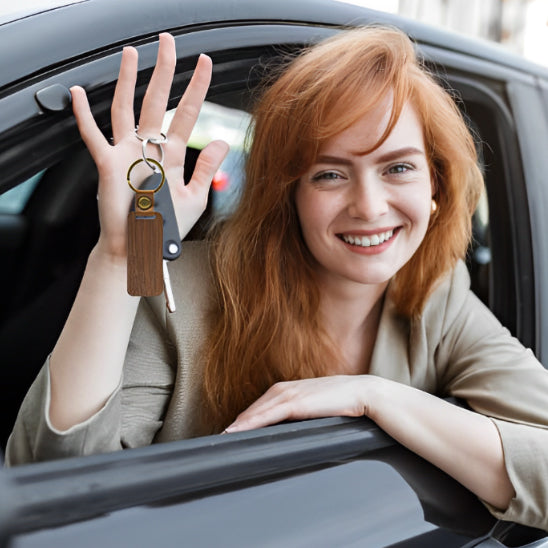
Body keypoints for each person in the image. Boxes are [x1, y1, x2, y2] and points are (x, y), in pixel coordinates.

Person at [5, 26, 548, 531]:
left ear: (436, 185)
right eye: (329, 173)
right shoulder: (182, 292)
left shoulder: (437, 294)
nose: (369, 205)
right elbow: (60, 495)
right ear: (290, 195)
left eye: (398, 167)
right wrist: (124, 255)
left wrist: (377, 397)